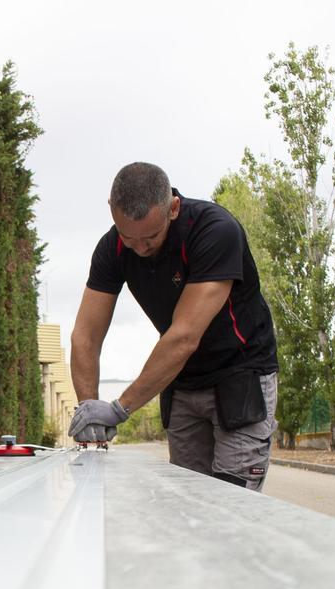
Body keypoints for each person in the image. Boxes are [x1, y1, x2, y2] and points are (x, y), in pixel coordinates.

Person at [68, 162, 279, 490]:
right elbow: (85, 335)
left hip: (240, 375)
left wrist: (120, 408)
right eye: (128, 236)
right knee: (186, 500)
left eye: (151, 237)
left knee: (232, 503)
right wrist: (88, 412)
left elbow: (184, 337)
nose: (139, 248)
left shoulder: (215, 232)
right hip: (181, 382)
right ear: (112, 210)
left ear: (173, 208)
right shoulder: (112, 248)